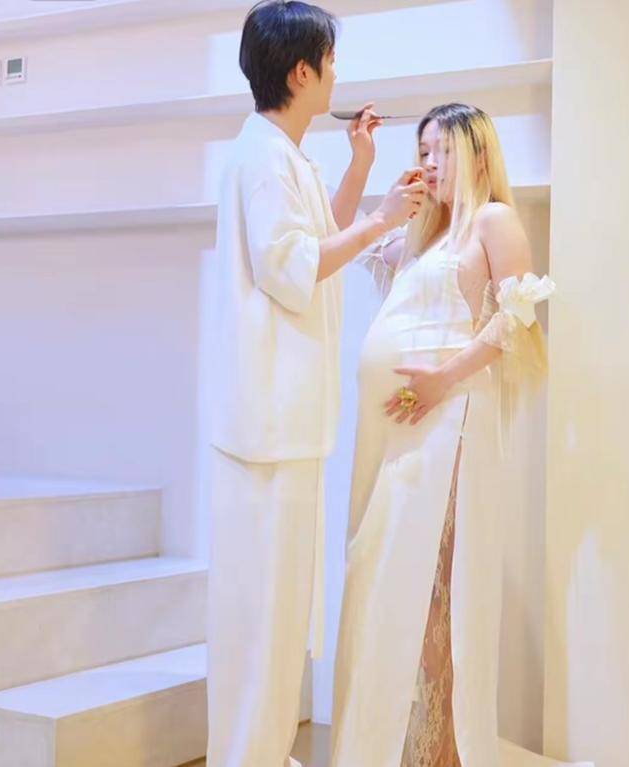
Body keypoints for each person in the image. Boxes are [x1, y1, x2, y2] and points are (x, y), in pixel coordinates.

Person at [331, 103, 591, 767]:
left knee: (436, 582)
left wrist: (443, 379)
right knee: (383, 578)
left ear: (477, 154)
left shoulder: (492, 220)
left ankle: (441, 749)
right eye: (423, 151)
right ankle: (392, 742)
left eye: (442, 150)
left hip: (450, 420)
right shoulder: (423, 233)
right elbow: (338, 241)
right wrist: (363, 166)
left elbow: (517, 318)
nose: (430, 163)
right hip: (397, 430)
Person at [206, 2, 426, 766]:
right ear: (302, 72)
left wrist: (361, 168)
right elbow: (295, 268)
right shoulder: (264, 158)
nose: (337, 74)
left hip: (285, 424)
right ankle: (250, 755)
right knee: (263, 618)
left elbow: (315, 242)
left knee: (281, 615)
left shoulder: (285, 156)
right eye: (331, 62)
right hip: (266, 429)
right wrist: (382, 219)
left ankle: (264, 752)